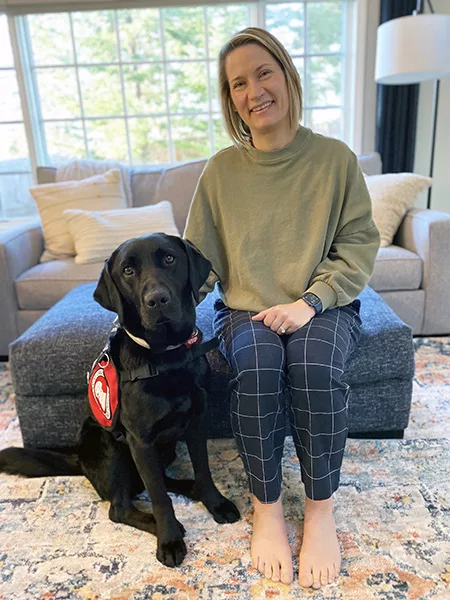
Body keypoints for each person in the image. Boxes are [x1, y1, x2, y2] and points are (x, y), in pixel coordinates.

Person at [183, 27, 380, 589]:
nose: (253, 91)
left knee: (314, 365)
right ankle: (266, 505)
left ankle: (319, 509)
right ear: (231, 99)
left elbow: (358, 245)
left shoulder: (335, 160)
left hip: (326, 305)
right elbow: (199, 261)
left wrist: (309, 302)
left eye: (262, 73)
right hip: (246, 311)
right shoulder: (221, 172)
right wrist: (157, 321)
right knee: (260, 364)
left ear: (287, 75)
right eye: (238, 83)